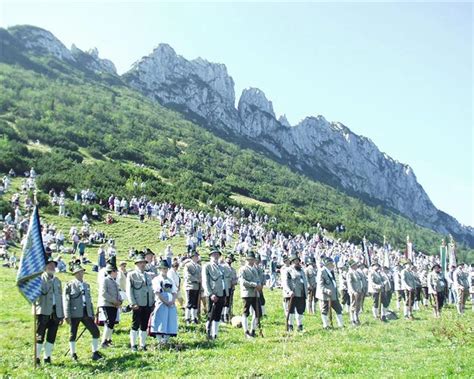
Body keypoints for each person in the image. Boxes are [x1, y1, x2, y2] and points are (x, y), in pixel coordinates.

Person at [63, 263, 102, 361]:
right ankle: (73, 354)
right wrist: (67, 314)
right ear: (75, 274)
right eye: (79, 272)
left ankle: (95, 352)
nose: (81, 273)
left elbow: (89, 300)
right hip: (75, 312)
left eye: (82, 271)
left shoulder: (86, 285)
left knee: (95, 332)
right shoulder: (70, 285)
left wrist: (92, 313)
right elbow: (66, 300)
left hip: (86, 312)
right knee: (73, 334)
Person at [35, 257, 64, 365]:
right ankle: (37, 357)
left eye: (53, 265)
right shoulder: (39, 279)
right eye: (49, 265)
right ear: (45, 267)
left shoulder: (57, 281)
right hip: (42, 311)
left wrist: (61, 314)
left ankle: (47, 357)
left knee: (52, 336)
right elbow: (36, 296)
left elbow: (60, 298)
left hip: (55, 312)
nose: (52, 267)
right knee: (39, 335)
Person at [126, 253, 155, 352]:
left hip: (147, 303)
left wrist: (152, 302)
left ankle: (142, 345)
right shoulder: (132, 275)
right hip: (137, 304)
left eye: (144, 263)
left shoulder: (147, 275)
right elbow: (129, 290)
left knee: (144, 325)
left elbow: (150, 289)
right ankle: (133, 345)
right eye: (140, 263)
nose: (142, 264)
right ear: (136, 264)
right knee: (135, 325)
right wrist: (132, 303)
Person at [149, 260, 178, 346]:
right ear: (159, 269)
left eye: (166, 268)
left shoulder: (170, 280)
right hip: (161, 302)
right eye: (162, 268)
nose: (164, 270)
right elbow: (157, 292)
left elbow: (174, 291)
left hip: (170, 303)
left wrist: (172, 301)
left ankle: (166, 340)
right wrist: (165, 301)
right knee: (160, 319)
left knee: (169, 320)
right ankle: (159, 340)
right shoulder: (157, 279)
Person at [202, 248, 228, 340]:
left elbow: (224, 282)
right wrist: (210, 294)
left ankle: (215, 334)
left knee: (217, 314)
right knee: (210, 314)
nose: (216, 256)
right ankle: (208, 333)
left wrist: (226, 294)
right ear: (210, 256)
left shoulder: (221, 267)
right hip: (212, 294)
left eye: (217, 255)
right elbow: (205, 281)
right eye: (214, 255)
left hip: (221, 293)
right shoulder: (207, 266)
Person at [98, 263, 122, 348]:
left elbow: (117, 293)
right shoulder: (105, 280)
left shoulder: (114, 281)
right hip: (107, 304)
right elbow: (104, 293)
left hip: (114, 305)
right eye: (116, 272)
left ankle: (109, 339)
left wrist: (120, 301)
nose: (117, 273)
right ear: (112, 271)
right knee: (109, 322)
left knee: (112, 322)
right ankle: (103, 341)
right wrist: (114, 301)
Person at [239, 251, 262, 338]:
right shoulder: (243, 269)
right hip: (247, 293)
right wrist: (254, 285)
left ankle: (253, 330)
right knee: (245, 312)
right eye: (249, 260)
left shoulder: (255, 269)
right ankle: (246, 331)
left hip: (255, 293)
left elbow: (258, 279)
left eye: (253, 260)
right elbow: (243, 282)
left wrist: (259, 285)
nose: (251, 261)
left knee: (257, 313)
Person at [316, 257, 344, 329]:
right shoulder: (322, 271)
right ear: (328, 264)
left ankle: (341, 325)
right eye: (331, 263)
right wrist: (326, 290)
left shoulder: (331, 271)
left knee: (338, 309)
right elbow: (320, 285)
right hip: (325, 295)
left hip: (333, 295)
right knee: (324, 310)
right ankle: (326, 325)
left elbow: (334, 283)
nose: (333, 265)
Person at [283, 253, 308, 331]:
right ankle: (290, 325)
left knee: (300, 310)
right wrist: (289, 291)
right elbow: (285, 283)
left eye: (298, 261)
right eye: (295, 261)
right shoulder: (288, 270)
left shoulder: (302, 271)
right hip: (292, 294)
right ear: (292, 262)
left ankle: (299, 325)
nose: (297, 262)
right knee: (291, 311)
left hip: (301, 293)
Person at [183, 251, 202, 325]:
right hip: (190, 286)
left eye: (197, 256)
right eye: (195, 256)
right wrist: (197, 280)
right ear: (192, 257)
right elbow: (188, 276)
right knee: (189, 303)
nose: (197, 258)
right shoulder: (188, 265)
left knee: (195, 304)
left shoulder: (199, 266)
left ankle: (194, 318)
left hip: (197, 287)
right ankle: (187, 318)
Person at [222, 253, 238, 323]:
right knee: (223, 302)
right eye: (228, 258)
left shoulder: (233, 270)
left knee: (228, 302)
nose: (229, 260)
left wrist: (234, 282)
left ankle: (226, 315)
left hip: (231, 288)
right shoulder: (222, 267)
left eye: (231, 259)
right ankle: (222, 315)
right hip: (224, 287)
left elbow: (235, 278)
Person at [347, 260, 363, 326]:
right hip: (354, 292)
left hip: (359, 291)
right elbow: (350, 283)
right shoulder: (350, 273)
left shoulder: (356, 272)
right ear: (352, 266)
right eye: (355, 264)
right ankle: (352, 319)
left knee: (358, 305)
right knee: (353, 305)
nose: (356, 265)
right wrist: (353, 291)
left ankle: (356, 318)